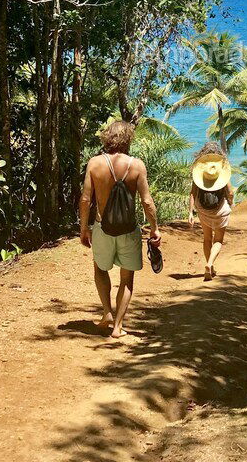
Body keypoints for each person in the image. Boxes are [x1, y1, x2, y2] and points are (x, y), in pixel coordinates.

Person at [79, 120, 161, 338]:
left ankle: (107, 312)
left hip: (102, 228)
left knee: (100, 269)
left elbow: (86, 199)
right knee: (127, 279)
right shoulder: (137, 165)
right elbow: (147, 201)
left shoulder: (95, 164)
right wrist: (155, 229)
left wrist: (84, 228)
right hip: (128, 229)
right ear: (128, 139)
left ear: (108, 137)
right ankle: (118, 326)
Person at [188, 142, 234, 281]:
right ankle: (210, 264)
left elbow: (192, 194)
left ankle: (210, 267)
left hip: (203, 210)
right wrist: (230, 204)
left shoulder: (200, 173)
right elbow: (230, 193)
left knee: (207, 238)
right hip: (221, 211)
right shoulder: (221, 171)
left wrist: (191, 212)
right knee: (218, 240)